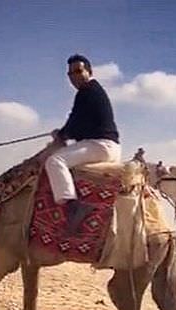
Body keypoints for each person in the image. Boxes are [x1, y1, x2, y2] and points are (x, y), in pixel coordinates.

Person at [44, 54, 121, 231]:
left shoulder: (87, 91)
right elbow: (79, 123)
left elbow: (75, 121)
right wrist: (64, 133)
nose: (74, 76)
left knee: (55, 161)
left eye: (78, 71)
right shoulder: (91, 91)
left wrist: (61, 135)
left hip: (100, 145)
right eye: (70, 74)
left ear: (89, 71)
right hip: (106, 146)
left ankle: (72, 207)